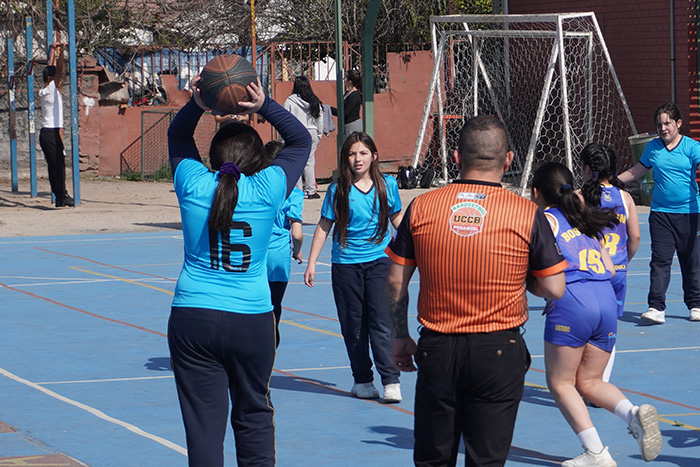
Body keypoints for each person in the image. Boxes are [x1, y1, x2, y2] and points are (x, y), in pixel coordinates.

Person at [386, 115, 567, 466]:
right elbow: (554, 286)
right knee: (487, 458)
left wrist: (399, 335)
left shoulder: (422, 206)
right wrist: (519, 275)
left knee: (433, 458)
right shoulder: (526, 212)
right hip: (498, 348)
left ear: (456, 158)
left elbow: (395, 280)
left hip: (438, 346)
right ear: (508, 160)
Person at [167, 76, 311, 466]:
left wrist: (197, 103)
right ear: (259, 160)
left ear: (213, 158)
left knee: (203, 426)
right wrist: (265, 106)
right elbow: (300, 141)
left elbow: (178, 136)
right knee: (254, 415)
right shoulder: (268, 188)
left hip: (193, 315)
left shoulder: (194, 184)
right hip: (251, 319)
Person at [531, 162, 662, 466]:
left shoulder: (546, 219)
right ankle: (632, 413)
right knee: (590, 381)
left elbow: (537, 267)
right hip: (606, 299)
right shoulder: (585, 220)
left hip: (573, 300)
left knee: (561, 383)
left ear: (536, 192)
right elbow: (608, 265)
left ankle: (595, 453)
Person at [304, 131, 403, 402]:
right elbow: (324, 226)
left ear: (374, 156)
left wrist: (417, 249)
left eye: (363, 153)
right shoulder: (337, 190)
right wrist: (312, 263)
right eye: (351, 153)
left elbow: (398, 221)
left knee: (381, 321)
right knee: (354, 326)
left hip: (380, 261)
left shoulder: (387, 185)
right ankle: (362, 381)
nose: (357, 158)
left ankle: (391, 380)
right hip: (346, 265)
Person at [618, 102, 700, 324]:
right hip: (661, 214)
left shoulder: (692, 147)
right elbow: (637, 171)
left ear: (678, 123)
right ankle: (656, 308)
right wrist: (612, 182)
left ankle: (696, 305)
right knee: (660, 261)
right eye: (659, 124)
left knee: (692, 262)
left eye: (667, 123)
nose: (663, 128)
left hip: (690, 214)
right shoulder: (652, 148)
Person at [579, 143, 641, 382]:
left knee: (582, 329)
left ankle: (582, 382)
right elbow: (635, 237)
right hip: (616, 271)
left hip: (588, 272)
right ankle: (600, 383)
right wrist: (623, 261)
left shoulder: (580, 197)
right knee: (608, 332)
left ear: (586, 169)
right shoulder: (625, 197)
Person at [265, 140, 304, 347]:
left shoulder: (258, 189)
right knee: (274, 305)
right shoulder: (293, 194)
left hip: (255, 254)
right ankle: (271, 344)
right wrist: (297, 250)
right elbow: (297, 233)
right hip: (278, 256)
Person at [39, 42, 73, 208]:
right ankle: (62, 195)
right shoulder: (52, 88)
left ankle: (60, 196)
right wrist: (62, 51)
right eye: (57, 78)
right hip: (51, 133)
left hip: (48, 133)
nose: (61, 81)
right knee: (58, 166)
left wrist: (53, 50)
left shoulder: (45, 89)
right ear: (51, 79)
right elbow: (59, 69)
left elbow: (51, 69)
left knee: (55, 166)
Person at [283, 76, 323, 199]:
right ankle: (311, 190)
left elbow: (285, 119)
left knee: (296, 161)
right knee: (310, 162)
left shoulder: (290, 101)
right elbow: (319, 118)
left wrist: (283, 137)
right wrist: (319, 134)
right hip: (312, 131)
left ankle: (298, 190)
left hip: (296, 132)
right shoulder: (314, 101)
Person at [331, 69, 363, 140]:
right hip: (347, 125)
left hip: (352, 125)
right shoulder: (347, 93)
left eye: (345, 78)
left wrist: (330, 109)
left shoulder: (355, 95)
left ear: (350, 81)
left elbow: (345, 113)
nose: (344, 79)